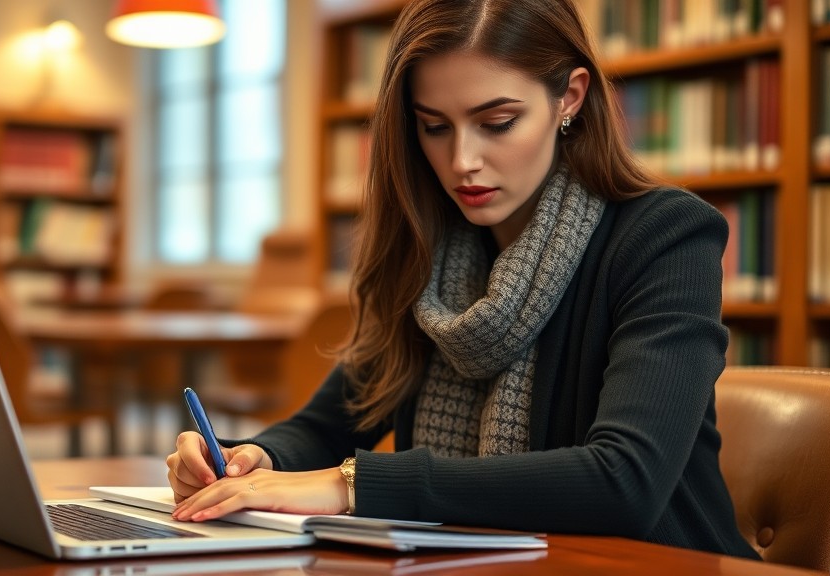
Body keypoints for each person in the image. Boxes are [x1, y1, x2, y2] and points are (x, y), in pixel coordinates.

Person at [166, 0, 760, 559]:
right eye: (434, 126)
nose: (462, 162)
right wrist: (251, 462)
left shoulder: (666, 237)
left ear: (570, 98)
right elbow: (331, 422)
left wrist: (352, 484)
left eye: (497, 122)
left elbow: (626, 479)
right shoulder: (429, 249)